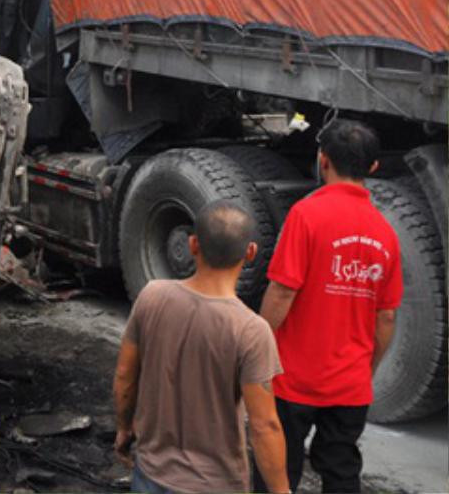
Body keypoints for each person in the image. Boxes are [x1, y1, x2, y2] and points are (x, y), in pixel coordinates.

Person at [257, 119, 401, 494]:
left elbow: (282, 293)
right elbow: (386, 317)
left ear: (323, 160)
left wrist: (255, 345)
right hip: (350, 384)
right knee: (341, 472)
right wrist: (364, 369)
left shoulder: (306, 216)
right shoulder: (385, 232)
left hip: (293, 379)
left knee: (277, 469)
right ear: (372, 168)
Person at [113, 201, 290, 494]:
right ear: (250, 253)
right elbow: (264, 426)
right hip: (216, 484)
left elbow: (124, 376)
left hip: (151, 475)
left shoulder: (152, 297)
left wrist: (124, 428)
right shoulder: (250, 330)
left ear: (193, 244)